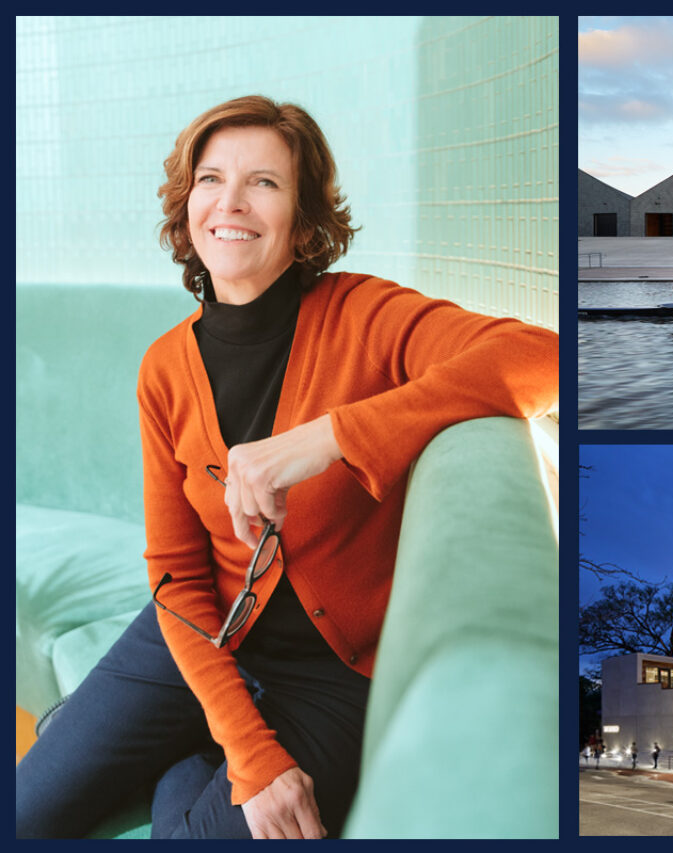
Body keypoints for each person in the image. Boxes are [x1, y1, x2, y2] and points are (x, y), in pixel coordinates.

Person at [14, 95, 557, 841]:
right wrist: (244, 743)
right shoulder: (164, 369)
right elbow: (175, 571)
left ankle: (179, 758)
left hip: (336, 676)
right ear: (187, 204)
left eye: (264, 183)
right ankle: (192, 745)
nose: (230, 202)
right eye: (211, 179)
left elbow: (547, 359)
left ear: (303, 221)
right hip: (202, 635)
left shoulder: (367, 316)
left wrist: (330, 436)